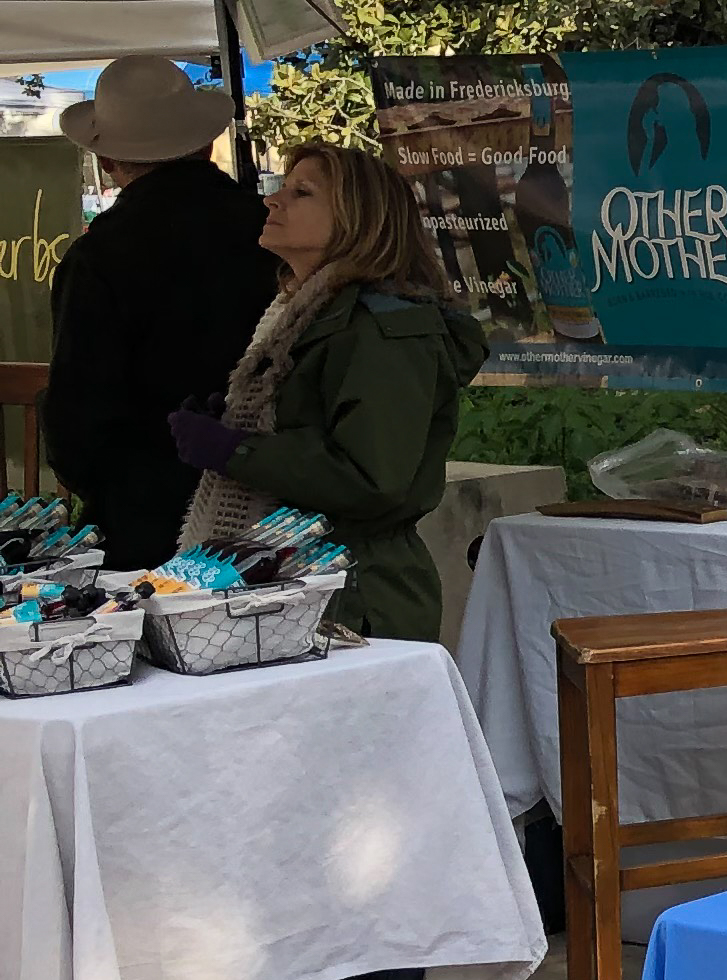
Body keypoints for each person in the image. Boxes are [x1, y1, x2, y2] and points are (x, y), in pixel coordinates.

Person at [165, 142, 489, 644]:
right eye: (282, 188)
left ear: (358, 219)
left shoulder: (383, 328)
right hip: (304, 584)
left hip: (355, 598)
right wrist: (235, 424)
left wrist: (238, 451)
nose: (273, 201)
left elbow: (373, 478)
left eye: (302, 192)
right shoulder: (302, 312)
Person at [41, 55, 280, 569]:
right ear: (204, 143)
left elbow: (76, 413)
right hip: (281, 495)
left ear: (106, 160)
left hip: (145, 511)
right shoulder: (274, 230)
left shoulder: (99, 254)